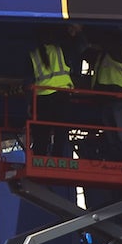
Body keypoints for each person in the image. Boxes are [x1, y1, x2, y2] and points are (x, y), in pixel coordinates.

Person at [29, 28, 77, 156]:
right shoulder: (60, 50)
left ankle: (39, 158)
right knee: (61, 131)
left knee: (42, 133)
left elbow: (28, 81)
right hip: (62, 95)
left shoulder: (33, 55)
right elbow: (78, 49)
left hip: (42, 98)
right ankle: (57, 159)